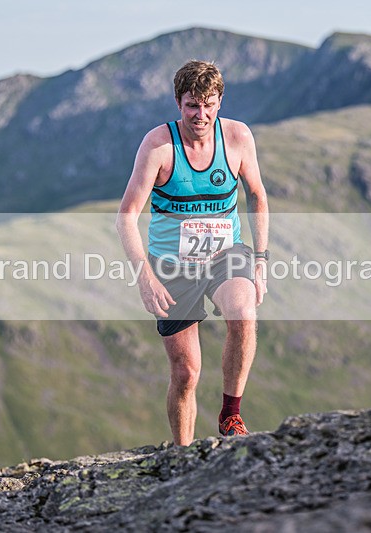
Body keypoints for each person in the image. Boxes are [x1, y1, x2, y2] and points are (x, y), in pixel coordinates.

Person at [116, 60, 269, 446]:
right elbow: (126, 217)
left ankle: (231, 414)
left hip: (225, 254)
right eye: (192, 106)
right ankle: (183, 456)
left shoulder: (237, 137)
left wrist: (261, 260)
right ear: (178, 103)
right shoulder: (158, 146)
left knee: (243, 313)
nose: (201, 115)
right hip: (172, 265)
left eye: (209, 105)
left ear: (220, 102)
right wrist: (145, 277)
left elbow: (256, 196)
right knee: (186, 374)